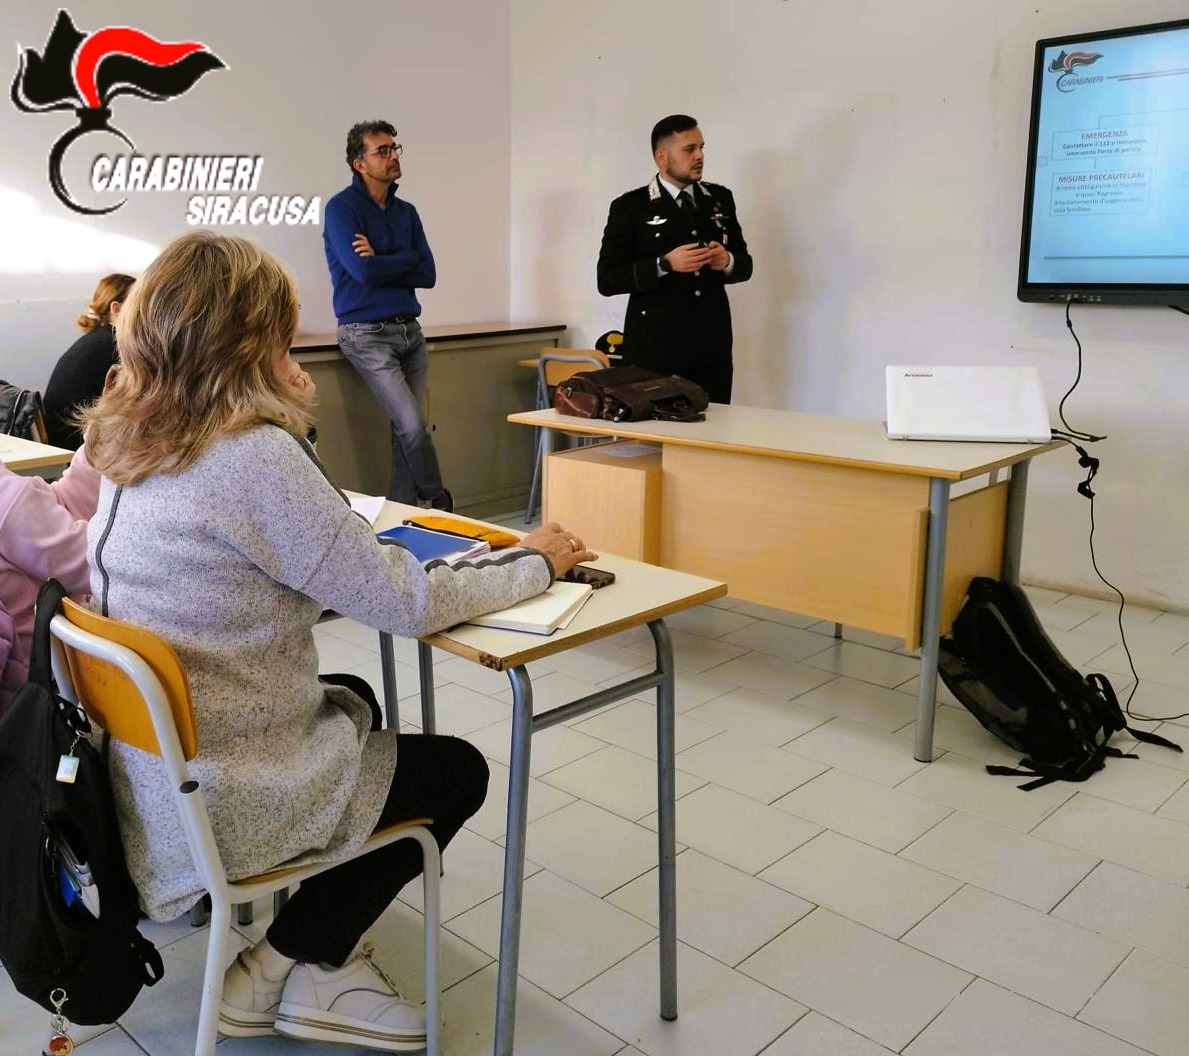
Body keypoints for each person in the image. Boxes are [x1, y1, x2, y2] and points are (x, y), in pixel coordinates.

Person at [81, 230, 595, 1051]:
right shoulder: (251, 455)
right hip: (224, 792)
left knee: (353, 698)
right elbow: (404, 600)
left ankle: (312, 937)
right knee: (455, 771)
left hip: (148, 780)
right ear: (254, 340)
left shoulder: (121, 440)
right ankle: (286, 965)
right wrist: (533, 562)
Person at [323, 120, 452, 511]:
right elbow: (361, 272)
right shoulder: (342, 209)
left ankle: (402, 518)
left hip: (410, 332)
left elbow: (428, 273)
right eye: (382, 151)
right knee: (412, 426)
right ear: (359, 164)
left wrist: (381, 256)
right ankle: (438, 496)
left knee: (406, 434)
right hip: (365, 334)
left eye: (394, 148)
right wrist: (403, 259)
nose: (393, 156)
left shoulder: (406, 213)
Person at [596, 114, 753, 404]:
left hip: (711, 348)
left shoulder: (719, 199)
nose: (699, 156)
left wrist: (727, 261)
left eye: (701, 148)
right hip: (655, 351)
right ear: (662, 157)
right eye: (689, 149)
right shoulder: (631, 207)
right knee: (655, 429)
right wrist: (663, 265)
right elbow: (607, 279)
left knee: (715, 425)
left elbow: (745, 265)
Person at [0, 447, 100, 711]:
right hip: (38, 695)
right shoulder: (8, 502)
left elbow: (51, 506)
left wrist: (99, 447)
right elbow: (100, 566)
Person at [43, 273, 135, 449]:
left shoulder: (97, 339)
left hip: (59, 437)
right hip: (75, 443)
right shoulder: (114, 345)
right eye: (138, 304)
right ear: (116, 309)